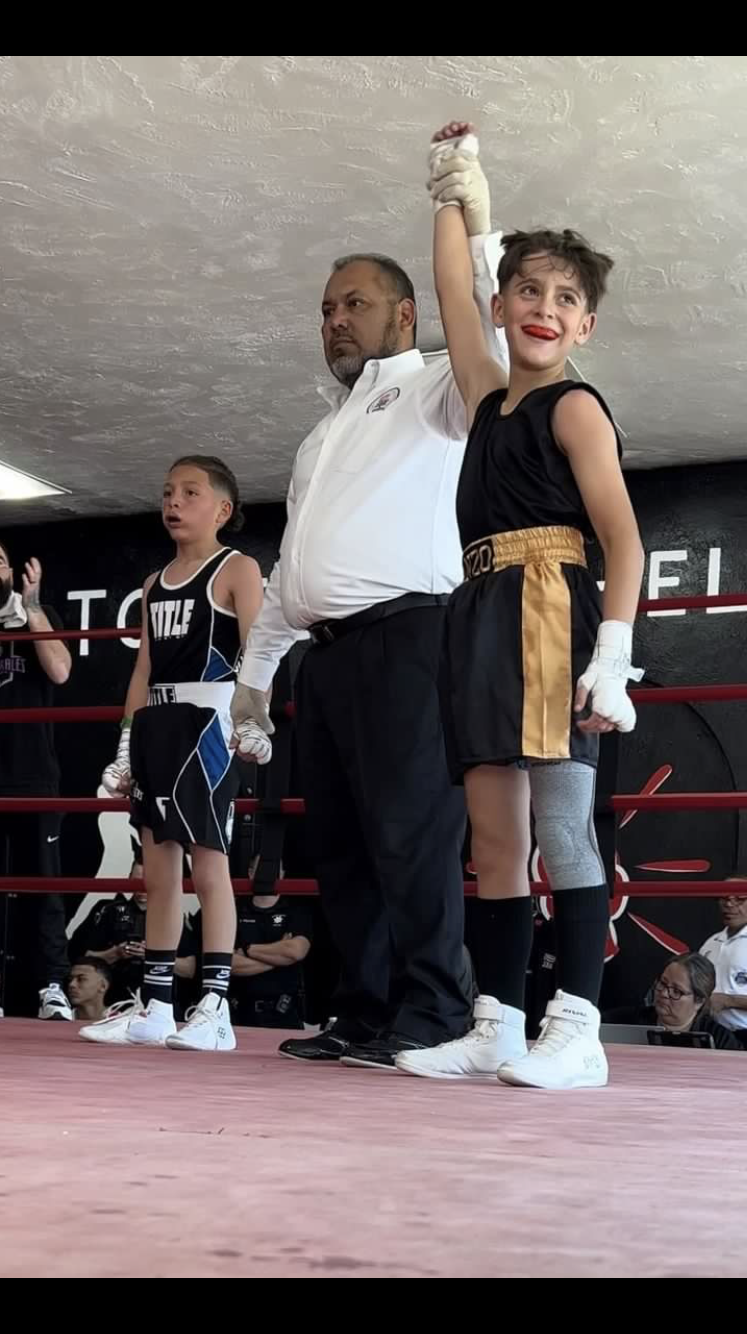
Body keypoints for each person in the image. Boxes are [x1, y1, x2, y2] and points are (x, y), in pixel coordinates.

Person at [230, 199, 507, 1071]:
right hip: (328, 657)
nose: (335, 320)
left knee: (411, 832)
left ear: (406, 315)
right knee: (343, 843)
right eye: (325, 309)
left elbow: (492, 343)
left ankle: (435, 1011)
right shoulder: (320, 437)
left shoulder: (436, 385)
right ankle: (365, 1008)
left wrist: (473, 214)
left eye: (353, 303)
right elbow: (294, 569)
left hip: (411, 637)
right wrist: (255, 678)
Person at [397, 123, 645, 1090]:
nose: (545, 308)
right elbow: (454, 293)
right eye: (530, 292)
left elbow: (622, 537)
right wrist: (456, 192)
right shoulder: (486, 395)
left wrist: (613, 651)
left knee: (563, 829)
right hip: (482, 610)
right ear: (507, 304)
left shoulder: (575, 409)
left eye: (567, 299)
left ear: (587, 326)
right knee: (493, 835)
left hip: (554, 607)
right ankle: (496, 1025)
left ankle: (576, 1028)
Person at [79, 456, 265, 1052]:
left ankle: (214, 1006)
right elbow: (143, 667)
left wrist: (253, 719)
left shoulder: (237, 568)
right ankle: (157, 1003)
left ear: (223, 509)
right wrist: (127, 741)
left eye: (190, 492)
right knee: (157, 870)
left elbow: (261, 653)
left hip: (210, 726)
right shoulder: (154, 583)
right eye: (167, 492)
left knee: (209, 867)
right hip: (158, 724)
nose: (174, 502)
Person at [0, 542, 73, 1020]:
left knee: (44, 886)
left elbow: (61, 671)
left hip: (33, 777)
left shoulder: (36, 617)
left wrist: (31, 607)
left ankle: (51, 986)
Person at [71, 836, 195, 1009]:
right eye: (136, 881)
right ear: (128, 878)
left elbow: (190, 969)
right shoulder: (108, 910)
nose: (142, 887)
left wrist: (154, 956)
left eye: (148, 881)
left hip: (160, 1002)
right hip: (111, 1004)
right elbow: (79, 956)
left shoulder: (172, 915)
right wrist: (115, 953)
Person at [188, 883, 312, 1029]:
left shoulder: (295, 908)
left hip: (284, 1012)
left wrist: (247, 949)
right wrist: (280, 959)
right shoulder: (233, 907)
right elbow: (228, 963)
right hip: (238, 1011)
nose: (265, 872)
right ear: (250, 871)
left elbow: (295, 951)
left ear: (282, 873)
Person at [603, 953, 742, 1051]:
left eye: (676, 991)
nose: (663, 994)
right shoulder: (625, 1021)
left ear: (699, 1001)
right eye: (662, 984)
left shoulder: (720, 1040)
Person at [700, 885, 747, 1047]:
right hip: (712, 1034)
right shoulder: (711, 942)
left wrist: (729, 1000)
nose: (729, 904)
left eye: (739, 899)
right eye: (725, 898)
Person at [68, 958, 113, 1023]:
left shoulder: (123, 1023)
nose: (71, 984)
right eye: (70, 979)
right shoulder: (60, 1020)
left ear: (103, 986)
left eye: (81, 979)